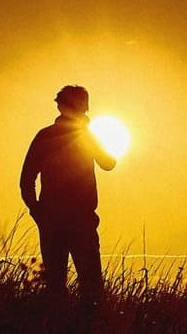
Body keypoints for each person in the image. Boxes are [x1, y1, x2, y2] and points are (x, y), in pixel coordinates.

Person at [19, 84, 117, 299]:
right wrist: (37, 210)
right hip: (76, 221)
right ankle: (84, 328)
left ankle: (60, 327)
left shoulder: (46, 136)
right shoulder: (82, 136)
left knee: (57, 285)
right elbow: (109, 163)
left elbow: (26, 180)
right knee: (90, 286)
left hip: (57, 221)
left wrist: (37, 210)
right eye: (80, 107)